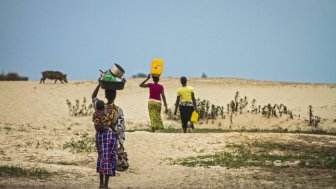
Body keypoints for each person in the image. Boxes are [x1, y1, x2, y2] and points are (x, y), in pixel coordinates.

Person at [92, 81, 125, 189]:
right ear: (115, 95)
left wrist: (99, 84)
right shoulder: (118, 110)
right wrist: (121, 143)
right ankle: (105, 185)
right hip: (110, 137)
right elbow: (120, 127)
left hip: (99, 136)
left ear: (105, 95)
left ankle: (101, 184)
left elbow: (93, 96)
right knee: (108, 159)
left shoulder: (99, 106)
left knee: (101, 158)